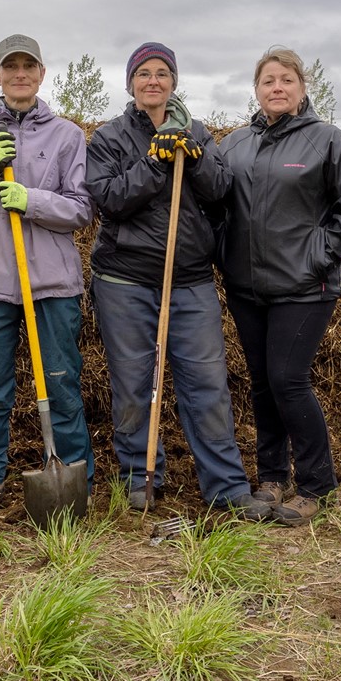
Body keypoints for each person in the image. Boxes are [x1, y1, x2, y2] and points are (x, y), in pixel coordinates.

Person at [85, 42, 270, 522]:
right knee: (133, 385)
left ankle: (227, 486)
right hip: (123, 279)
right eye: (143, 73)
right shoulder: (109, 138)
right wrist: (154, 162)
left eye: (162, 73)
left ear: (173, 82)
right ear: (130, 84)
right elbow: (108, 199)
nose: (153, 81)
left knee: (206, 385)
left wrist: (196, 154)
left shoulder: (198, 131)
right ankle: (139, 477)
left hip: (188, 279)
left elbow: (221, 190)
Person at [0, 35, 95, 513]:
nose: (20, 74)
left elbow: (82, 208)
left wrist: (31, 200)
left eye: (29, 66)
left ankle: (75, 478)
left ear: (42, 73)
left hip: (52, 283)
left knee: (61, 382)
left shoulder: (67, 136)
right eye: (11, 67)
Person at [218, 47, 341, 527]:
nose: (276, 88)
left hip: (304, 287)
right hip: (246, 286)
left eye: (286, 79)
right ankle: (271, 475)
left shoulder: (329, 142)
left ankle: (316, 484)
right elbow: (216, 202)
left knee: (288, 380)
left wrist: (316, 257)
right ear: (256, 89)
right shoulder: (235, 144)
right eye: (267, 81)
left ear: (303, 88)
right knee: (262, 382)